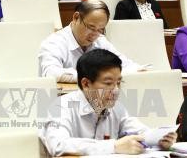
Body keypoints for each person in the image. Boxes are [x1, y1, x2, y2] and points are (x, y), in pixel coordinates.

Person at [40, 49, 177, 156]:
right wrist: (114, 147)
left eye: (119, 82)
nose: (116, 90)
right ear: (86, 83)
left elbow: (141, 132)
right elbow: (58, 145)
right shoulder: (60, 107)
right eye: (108, 83)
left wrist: (159, 140)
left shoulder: (116, 107)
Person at [39, 0, 139, 83]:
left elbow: (125, 64)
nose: (95, 34)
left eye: (100, 29)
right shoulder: (54, 43)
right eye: (91, 27)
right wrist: (96, 76)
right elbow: (51, 73)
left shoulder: (100, 40)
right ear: (76, 17)